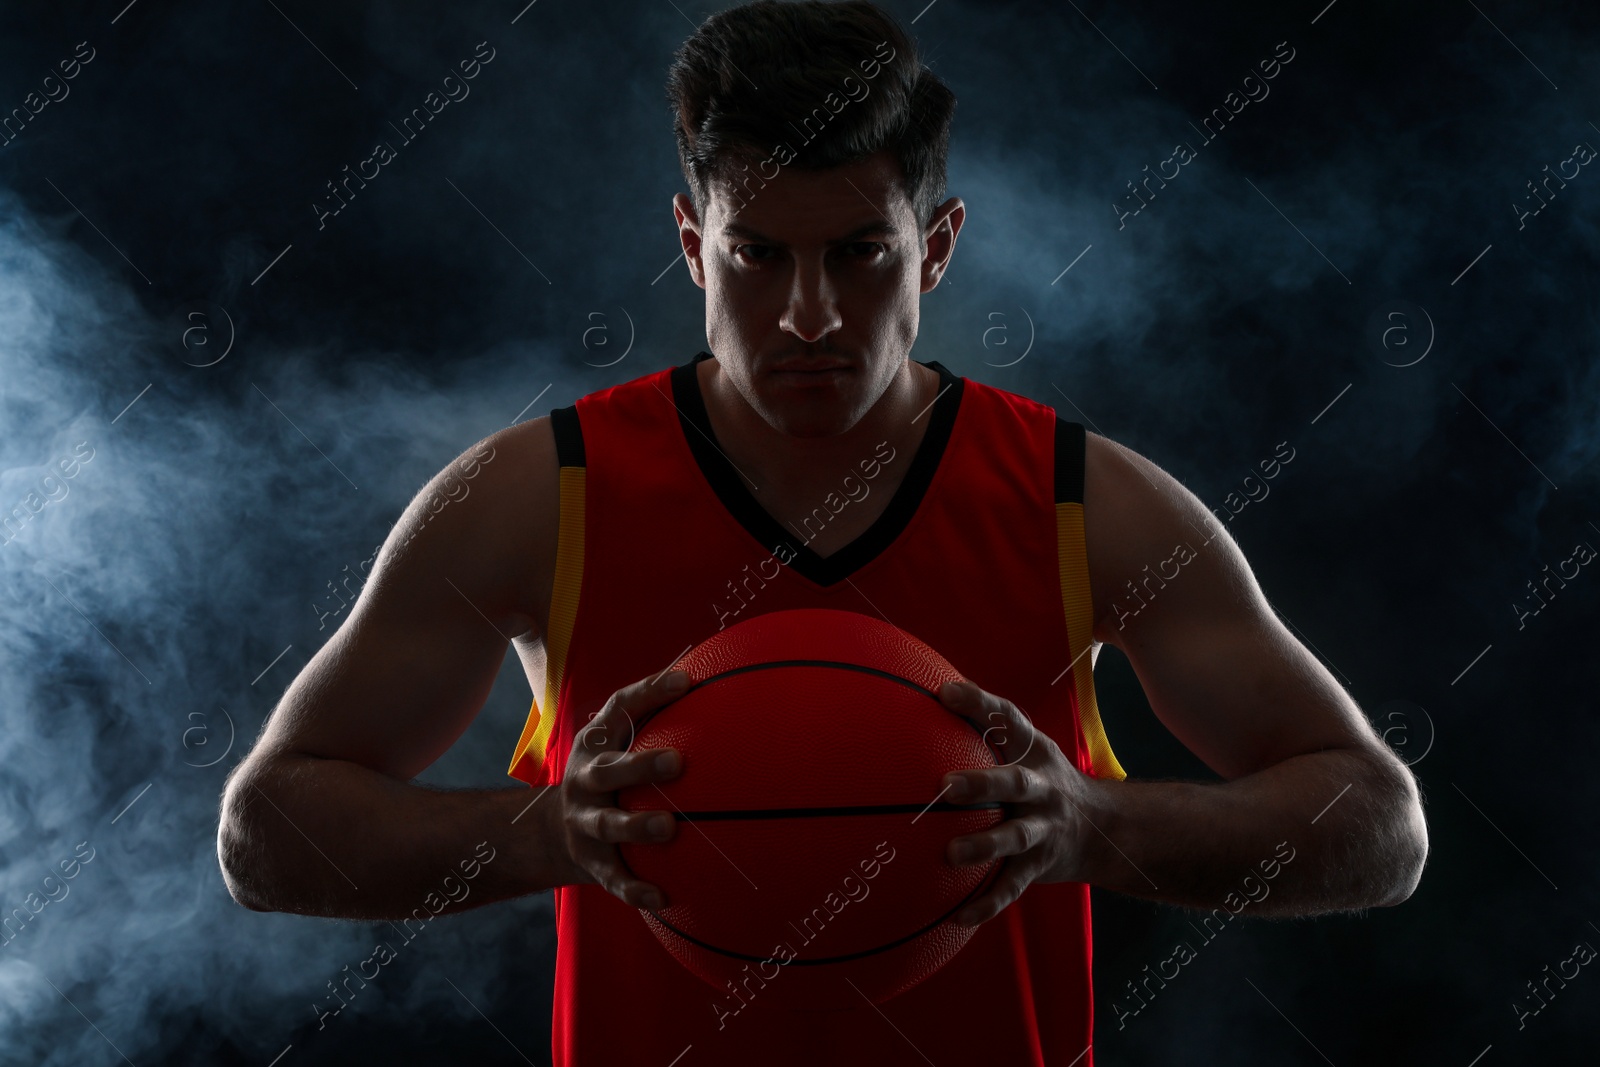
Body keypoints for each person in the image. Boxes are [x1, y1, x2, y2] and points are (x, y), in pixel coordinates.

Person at [217, 2, 1428, 1064]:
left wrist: (1097, 826)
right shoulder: (543, 495)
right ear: (693, 245)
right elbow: (265, 830)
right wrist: (541, 833)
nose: (807, 313)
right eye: (757, 256)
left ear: (935, 248)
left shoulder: (1081, 501)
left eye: (859, 256)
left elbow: (1379, 826)